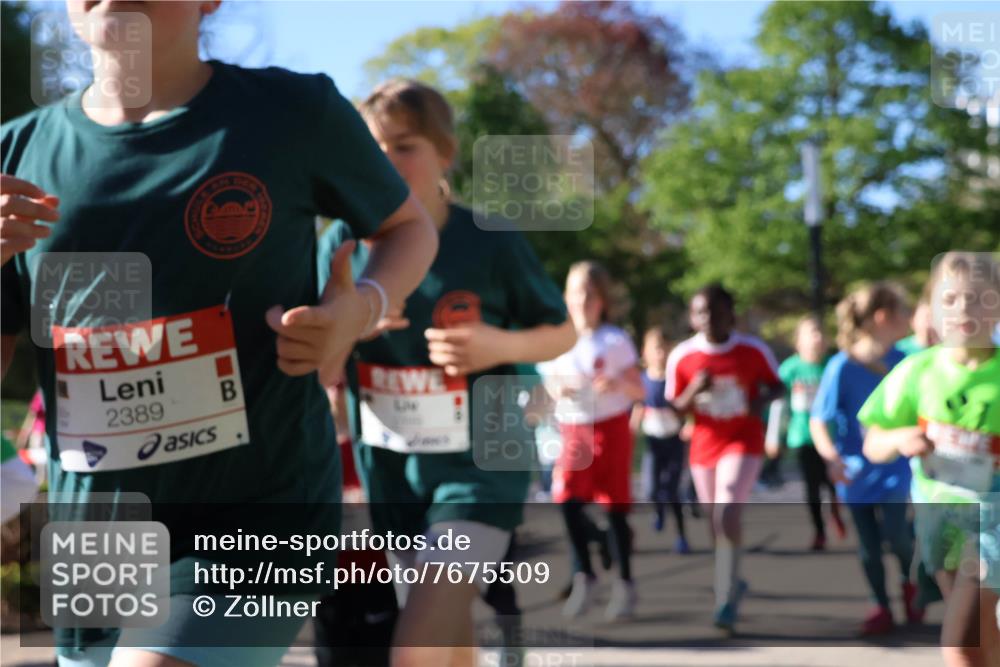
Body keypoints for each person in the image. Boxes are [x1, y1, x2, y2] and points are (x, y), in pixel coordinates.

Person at [0, 3, 438, 665]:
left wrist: (359, 312)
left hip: (260, 514)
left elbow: (408, 228)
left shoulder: (293, 113)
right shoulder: (17, 154)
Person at [317, 79, 575, 667]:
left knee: (415, 643)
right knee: (446, 638)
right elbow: (323, 367)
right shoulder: (341, 241)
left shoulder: (488, 239)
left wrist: (494, 344)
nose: (386, 161)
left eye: (404, 145)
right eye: (374, 147)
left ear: (445, 154)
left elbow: (562, 331)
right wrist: (345, 326)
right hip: (395, 470)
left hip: (484, 464)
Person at [861, 252, 1000, 667]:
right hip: (940, 523)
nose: (963, 310)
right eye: (951, 299)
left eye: (978, 299)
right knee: (983, 641)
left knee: (959, 642)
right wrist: (901, 437)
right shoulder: (916, 371)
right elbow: (873, 443)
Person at [666, 283, 785, 632]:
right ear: (692, 316)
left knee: (728, 508)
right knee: (716, 524)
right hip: (705, 444)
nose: (709, 320)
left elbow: (777, 386)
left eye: (717, 312)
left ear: (731, 314)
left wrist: (757, 403)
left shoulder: (752, 350)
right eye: (702, 312)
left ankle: (724, 598)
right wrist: (693, 390)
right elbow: (675, 409)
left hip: (743, 441)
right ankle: (732, 577)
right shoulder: (683, 356)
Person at [809, 281, 918, 636]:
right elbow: (818, 419)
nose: (909, 317)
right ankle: (881, 605)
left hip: (896, 470)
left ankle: (909, 580)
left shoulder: (905, 361)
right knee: (869, 547)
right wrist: (830, 458)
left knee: (898, 535)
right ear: (882, 317)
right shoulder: (841, 366)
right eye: (903, 310)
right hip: (856, 472)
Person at [539, 261, 645, 620]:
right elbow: (548, 387)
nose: (581, 300)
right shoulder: (557, 339)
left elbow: (638, 388)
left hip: (610, 427)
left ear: (601, 299)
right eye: (574, 292)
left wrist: (616, 385)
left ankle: (625, 583)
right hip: (573, 430)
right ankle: (585, 573)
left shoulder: (614, 340)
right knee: (567, 500)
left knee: (615, 507)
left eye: (588, 293)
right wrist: (558, 389)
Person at [766, 316, 846, 550]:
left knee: (834, 484)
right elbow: (779, 406)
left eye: (821, 333)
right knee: (812, 486)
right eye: (812, 332)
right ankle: (819, 532)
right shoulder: (790, 369)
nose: (818, 338)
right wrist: (774, 438)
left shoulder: (833, 366)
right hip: (802, 437)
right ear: (798, 341)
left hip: (831, 438)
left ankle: (835, 512)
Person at [633, 326, 689, 553]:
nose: (661, 354)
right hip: (653, 442)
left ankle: (681, 536)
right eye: (656, 349)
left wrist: (690, 425)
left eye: (664, 349)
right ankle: (658, 510)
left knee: (673, 490)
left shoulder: (675, 378)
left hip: (674, 440)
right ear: (645, 353)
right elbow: (638, 405)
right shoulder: (642, 380)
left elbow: (687, 406)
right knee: (651, 487)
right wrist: (632, 428)